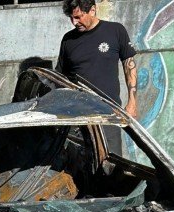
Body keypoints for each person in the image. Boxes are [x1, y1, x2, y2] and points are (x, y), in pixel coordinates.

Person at [56, 0, 138, 154]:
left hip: (108, 114)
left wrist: (132, 102)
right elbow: (61, 78)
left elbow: (129, 65)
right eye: (71, 18)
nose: (75, 22)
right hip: (77, 117)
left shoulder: (115, 31)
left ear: (92, 10)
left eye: (79, 17)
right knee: (78, 166)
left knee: (110, 164)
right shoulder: (68, 40)